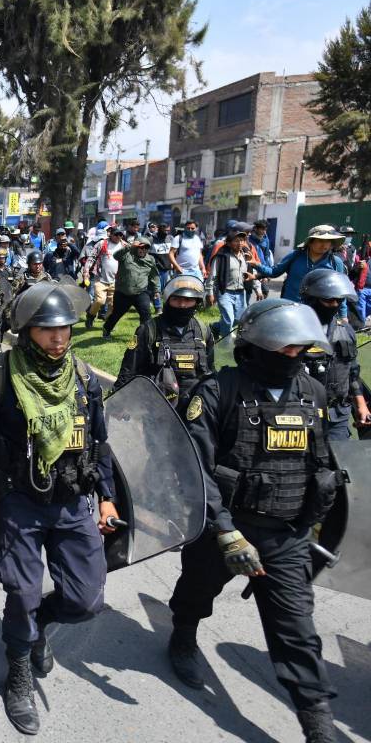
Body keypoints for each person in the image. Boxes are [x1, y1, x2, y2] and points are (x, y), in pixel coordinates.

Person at [166, 299, 343, 743]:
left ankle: (317, 722)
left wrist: (318, 522)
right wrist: (225, 532)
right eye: (284, 349)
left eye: (300, 349)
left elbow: (321, 463)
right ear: (257, 344)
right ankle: (183, 635)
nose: (293, 358)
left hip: (287, 534)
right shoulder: (218, 392)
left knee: (297, 631)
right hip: (225, 526)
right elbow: (195, 469)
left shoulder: (313, 395)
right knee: (197, 590)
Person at [0, 282, 118, 735]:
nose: (59, 337)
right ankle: (19, 673)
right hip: (19, 503)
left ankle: (39, 624)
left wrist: (106, 497)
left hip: (72, 504)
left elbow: (100, 444)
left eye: (64, 328)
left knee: (87, 599)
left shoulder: (85, 379)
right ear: (28, 330)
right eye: (48, 329)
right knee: (22, 592)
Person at [115, 274, 214, 409]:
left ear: (196, 302)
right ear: (167, 300)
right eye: (176, 299)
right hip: (158, 409)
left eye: (188, 299)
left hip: (195, 410)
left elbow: (211, 371)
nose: (182, 305)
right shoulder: (149, 330)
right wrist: (119, 401)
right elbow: (128, 370)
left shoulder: (203, 331)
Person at [298, 269, 369, 440]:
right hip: (298, 412)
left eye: (339, 300)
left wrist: (361, 404)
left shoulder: (345, 331)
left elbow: (352, 372)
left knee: (339, 463)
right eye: (328, 300)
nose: (334, 304)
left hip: (337, 415)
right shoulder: (292, 329)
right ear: (311, 298)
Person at [254, 224, 347, 305]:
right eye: (320, 241)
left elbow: (339, 291)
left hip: (318, 313)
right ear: (310, 242)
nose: (324, 245)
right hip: (290, 307)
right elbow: (274, 272)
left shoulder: (335, 262)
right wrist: (256, 265)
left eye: (328, 241)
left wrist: (342, 315)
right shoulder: (295, 256)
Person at [102, 235, 158, 338]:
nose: (143, 249)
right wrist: (129, 246)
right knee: (116, 314)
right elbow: (116, 256)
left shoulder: (150, 259)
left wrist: (156, 290)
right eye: (141, 247)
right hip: (123, 292)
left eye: (146, 248)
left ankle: (144, 336)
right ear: (136, 247)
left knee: (146, 314)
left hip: (141, 292)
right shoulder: (127, 254)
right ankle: (106, 329)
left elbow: (154, 275)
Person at [206, 224, 253, 338]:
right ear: (228, 243)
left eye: (242, 241)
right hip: (225, 292)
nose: (240, 243)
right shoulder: (221, 257)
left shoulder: (245, 256)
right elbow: (212, 276)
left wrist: (257, 288)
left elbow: (250, 274)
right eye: (237, 241)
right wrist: (210, 293)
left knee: (239, 320)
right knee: (229, 320)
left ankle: (215, 327)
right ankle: (225, 345)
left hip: (241, 293)